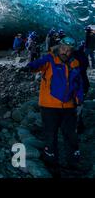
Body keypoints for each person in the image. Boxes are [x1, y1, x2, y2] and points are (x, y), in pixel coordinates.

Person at [20, 37, 84, 174]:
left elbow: (79, 83)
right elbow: (38, 63)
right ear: (59, 47)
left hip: (69, 106)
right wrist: (29, 67)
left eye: (69, 50)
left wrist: (79, 99)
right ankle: (51, 162)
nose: (65, 52)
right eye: (63, 48)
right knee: (50, 135)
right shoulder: (49, 59)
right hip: (49, 105)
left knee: (71, 135)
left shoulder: (75, 63)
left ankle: (73, 163)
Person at [73, 41, 90, 134]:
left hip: (77, 85)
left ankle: (77, 126)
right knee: (79, 105)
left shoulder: (73, 57)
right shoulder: (83, 56)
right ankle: (79, 126)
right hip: (83, 84)